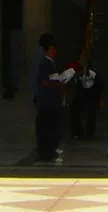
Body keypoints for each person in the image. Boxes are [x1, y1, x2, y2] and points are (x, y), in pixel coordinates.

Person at [33, 33, 76, 162]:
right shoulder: (45, 63)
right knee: (49, 128)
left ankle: (47, 151)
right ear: (50, 49)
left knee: (47, 127)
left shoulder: (49, 63)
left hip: (49, 100)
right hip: (48, 101)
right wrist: (59, 85)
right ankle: (47, 152)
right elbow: (46, 81)